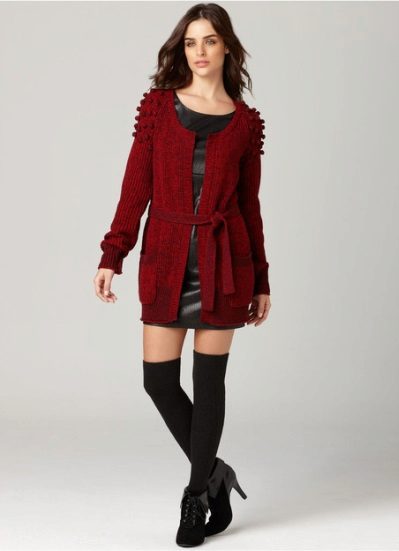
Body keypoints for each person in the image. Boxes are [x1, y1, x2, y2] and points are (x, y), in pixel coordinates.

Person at [93, 3, 271, 547]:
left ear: (226, 48)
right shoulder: (157, 108)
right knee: (158, 381)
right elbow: (135, 187)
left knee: (208, 382)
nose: (199, 51)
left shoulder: (245, 123)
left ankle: (196, 495)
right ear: (181, 49)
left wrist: (262, 279)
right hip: (167, 261)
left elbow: (249, 205)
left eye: (210, 41)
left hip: (226, 265)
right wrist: (113, 252)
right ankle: (216, 471)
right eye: (191, 42)